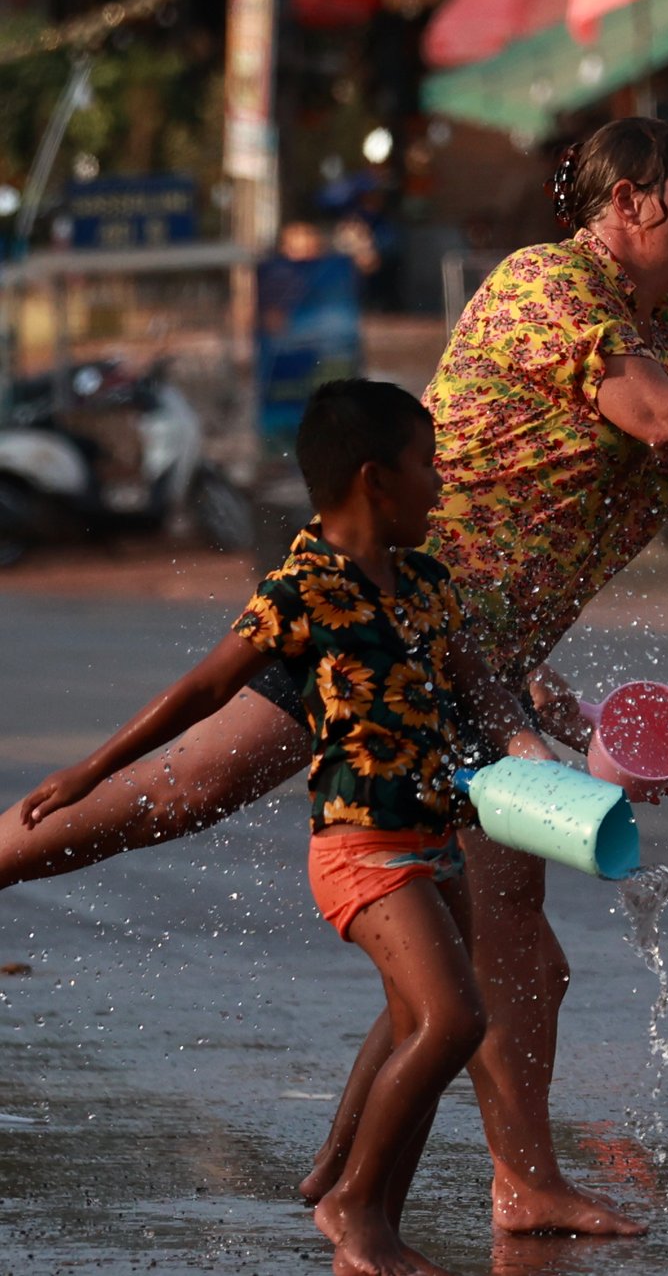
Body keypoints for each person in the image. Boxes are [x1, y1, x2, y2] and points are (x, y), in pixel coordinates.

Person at [0, 116, 668, 1237]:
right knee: (172, 794)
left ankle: (511, 1178)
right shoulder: (550, 287)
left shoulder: (661, 329)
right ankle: (420, 1186)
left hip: (472, 660)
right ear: (628, 201)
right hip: (379, 627)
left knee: (510, 929)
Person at [17, 380, 547, 1276]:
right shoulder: (300, 591)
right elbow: (201, 691)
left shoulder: (427, 582)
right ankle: (350, 1206)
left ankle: (370, 1209)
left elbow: (480, 680)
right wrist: (90, 771)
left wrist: (522, 739)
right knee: (452, 1022)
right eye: (427, 465)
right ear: (376, 481)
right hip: (359, 845)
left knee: (423, 1018)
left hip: (434, 833)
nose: (440, 483)